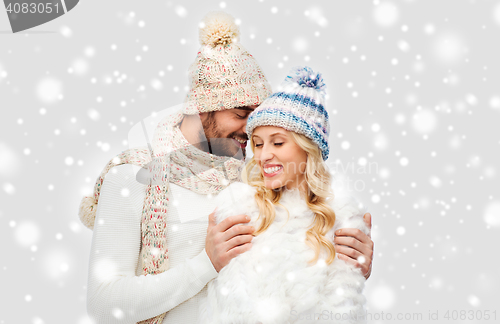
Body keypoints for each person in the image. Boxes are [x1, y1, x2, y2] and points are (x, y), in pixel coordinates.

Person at [80, 12, 373, 324]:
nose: (250, 131)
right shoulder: (132, 177)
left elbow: (292, 283)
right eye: (240, 113)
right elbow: (103, 304)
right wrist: (207, 264)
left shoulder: (258, 184)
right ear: (201, 106)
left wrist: (347, 267)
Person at [199, 67, 369, 324]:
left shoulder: (339, 217)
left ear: (308, 149)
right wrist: (206, 262)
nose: (264, 155)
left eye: (277, 143)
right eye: (257, 143)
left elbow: (344, 310)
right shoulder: (238, 209)